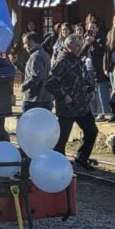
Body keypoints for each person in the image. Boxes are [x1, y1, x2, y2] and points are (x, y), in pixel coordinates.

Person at [45, 34, 99, 170]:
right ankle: (57, 164)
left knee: (92, 131)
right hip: (67, 108)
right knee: (62, 138)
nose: (79, 48)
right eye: (76, 46)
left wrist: (90, 89)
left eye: (80, 46)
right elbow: (50, 83)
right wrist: (64, 95)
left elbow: (84, 78)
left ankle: (82, 159)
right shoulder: (62, 61)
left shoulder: (78, 60)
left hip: (82, 106)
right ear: (68, 46)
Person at [82, 22, 110, 120]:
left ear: (97, 28)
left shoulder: (101, 38)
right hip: (88, 66)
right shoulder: (86, 39)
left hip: (99, 67)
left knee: (100, 90)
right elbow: (82, 52)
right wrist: (87, 43)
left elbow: (101, 52)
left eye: (93, 27)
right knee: (91, 89)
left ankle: (102, 112)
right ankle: (93, 111)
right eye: (90, 28)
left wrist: (93, 42)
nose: (91, 30)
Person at [20, 32, 52, 112]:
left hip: (34, 100)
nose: (24, 47)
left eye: (25, 43)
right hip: (45, 98)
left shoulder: (36, 56)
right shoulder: (44, 54)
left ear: (31, 41)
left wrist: (24, 86)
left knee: (29, 124)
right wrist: (17, 63)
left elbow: (36, 76)